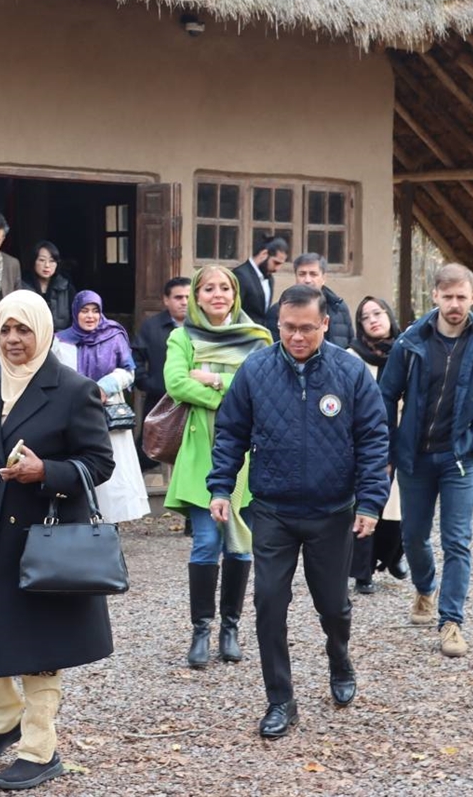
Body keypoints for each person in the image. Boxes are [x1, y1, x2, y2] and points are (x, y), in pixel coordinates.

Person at [0, 290, 115, 791]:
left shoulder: (73, 389)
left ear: (41, 331)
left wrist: (46, 472)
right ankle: (4, 719)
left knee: (39, 651)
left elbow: (100, 463)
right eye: (7, 330)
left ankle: (40, 751)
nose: (14, 339)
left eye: (24, 329)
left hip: (39, 541)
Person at [208, 284, 390, 740]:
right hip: (273, 510)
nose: (296, 337)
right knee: (269, 601)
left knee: (334, 605)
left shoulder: (351, 372)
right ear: (278, 325)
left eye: (307, 328)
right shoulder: (255, 370)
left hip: (332, 512)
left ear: (325, 324)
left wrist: (370, 501)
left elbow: (373, 439)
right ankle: (280, 700)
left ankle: (339, 656)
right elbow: (231, 432)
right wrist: (221, 487)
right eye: (288, 328)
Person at [378, 264, 473, 659]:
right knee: (413, 536)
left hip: (459, 459)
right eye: (447, 297)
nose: (454, 305)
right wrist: (388, 449)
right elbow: (385, 394)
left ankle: (451, 622)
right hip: (414, 456)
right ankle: (425, 587)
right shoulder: (410, 342)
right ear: (434, 296)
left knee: (457, 541)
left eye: (461, 297)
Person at [163, 266, 272, 669]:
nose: (217, 294)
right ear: (196, 295)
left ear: (235, 294)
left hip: (247, 454)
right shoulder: (182, 336)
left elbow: (262, 389)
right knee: (206, 542)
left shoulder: (259, 339)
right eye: (208, 288)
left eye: (224, 288)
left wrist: (209, 380)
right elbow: (175, 383)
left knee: (239, 542)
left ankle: (231, 628)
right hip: (199, 454)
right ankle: (201, 631)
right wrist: (231, 392)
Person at [55, 291, 150, 523]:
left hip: (108, 414)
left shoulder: (114, 335)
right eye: (84, 311)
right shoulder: (61, 341)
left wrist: (105, 386)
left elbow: (129, 371)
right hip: (75, 413)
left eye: (95, 310)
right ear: (75, 312)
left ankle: (110, 525)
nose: (90, 316)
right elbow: (55, 375)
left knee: (112, 470)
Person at [347, 296, 407, 592]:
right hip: (364, 440)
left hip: (401, 438)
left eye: (378, 313)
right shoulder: (352, 356)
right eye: (365, 316)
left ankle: (393, 555)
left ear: (389, 316)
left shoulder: (407, 351)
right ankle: (363, 572)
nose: (373, 319)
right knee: (366, 503)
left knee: (397, 508)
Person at [132, 277, 191, 419]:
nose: (184, 302)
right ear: (166, 300)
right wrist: (148, 384)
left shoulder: (203, 327)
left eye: (188, 297)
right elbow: (136, 358)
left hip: (195, 401)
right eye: (178, 297)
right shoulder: (151, 326)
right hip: (158, 400)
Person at [266, 253, 351, 349]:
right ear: (295, 277)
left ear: (324, 278)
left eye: (313, 274)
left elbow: (350, 345)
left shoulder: (338, 307)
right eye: (302, 274)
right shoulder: (278, 310)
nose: (307, 280)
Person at [231, 236, 288, 325]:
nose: (277, 269)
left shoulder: (270, 278)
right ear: (264, 254)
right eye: (276, 263)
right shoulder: (240, 275)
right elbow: (233, 311)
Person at [20, 241, 75, 333]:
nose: (47, 265)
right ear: (33, 261)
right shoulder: (22, 287)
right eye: (42, 260)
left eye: (52, 261)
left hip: (61, 339)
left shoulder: (66, 286)